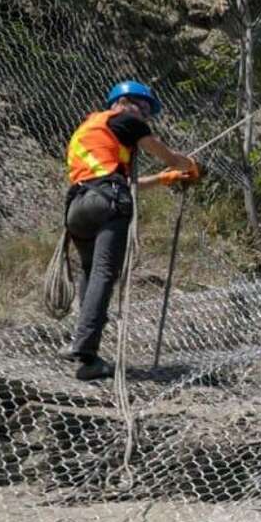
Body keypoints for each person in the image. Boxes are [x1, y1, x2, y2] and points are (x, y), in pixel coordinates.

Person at [60, 80, 201, 380]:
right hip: (109, 202)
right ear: (125, 103)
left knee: (89, 271)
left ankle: (81, 340)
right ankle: (85, 350)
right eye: (143, 107)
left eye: (146, 110)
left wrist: (166, 179)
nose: (144, 114)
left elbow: (122, 180)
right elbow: (164, 153)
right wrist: (188, 165)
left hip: (79, 208)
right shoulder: (125, 120)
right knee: (104, 272)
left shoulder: (90, 128)